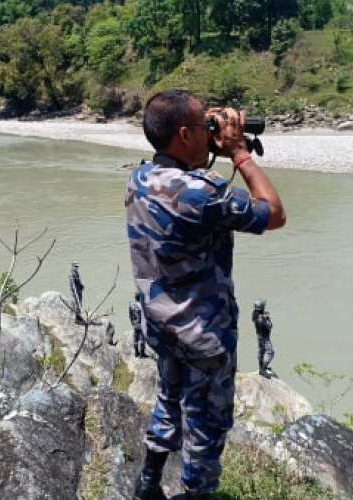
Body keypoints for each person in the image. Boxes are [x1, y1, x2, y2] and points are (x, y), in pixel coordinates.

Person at [126, 90, 286, 500]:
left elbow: (185, 177)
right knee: (205, 425)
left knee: (168, 398)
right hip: (203, 334)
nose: (210, 132)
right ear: (184, 133)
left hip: (161, 326)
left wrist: (204, 146)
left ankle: (148, 483)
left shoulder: (140, 179)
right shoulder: (202, 192)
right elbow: (273, 213)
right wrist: (238, 152)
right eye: (203, 127)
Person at [252, 299, 275, 378]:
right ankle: (263, 368)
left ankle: (261, 368)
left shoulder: (255, 315)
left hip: (259, 336)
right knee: (271, 353)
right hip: (265, 338)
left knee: (261, 352)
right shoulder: (263, 318)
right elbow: (270, 326)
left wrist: (264, 315)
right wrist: (268, 318)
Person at [129, 291, 148, 358]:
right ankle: (142, 354)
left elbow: (130, 315)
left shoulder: (131, 305)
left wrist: (132, 322)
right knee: (142, 339)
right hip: (141, 324)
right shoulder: (142, 305)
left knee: (135, 338)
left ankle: (136, 353)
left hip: (135, 324)